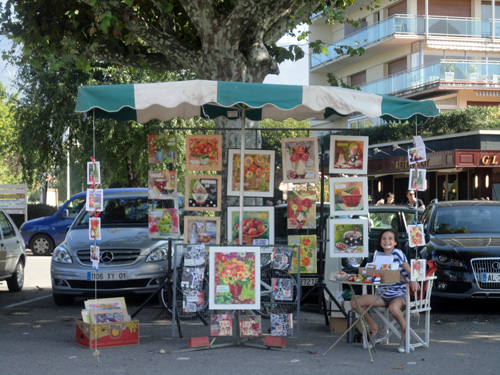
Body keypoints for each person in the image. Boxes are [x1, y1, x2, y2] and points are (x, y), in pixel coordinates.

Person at [350, 229, 419, 353]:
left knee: (393, 308)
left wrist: (413, 280)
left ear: (395, 242)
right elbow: (374, 273)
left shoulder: (397, 253)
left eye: (390, 238)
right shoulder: (377, 254)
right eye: (384, 238)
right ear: (380, 241)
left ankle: (404, 331)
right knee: (354, 302)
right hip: (382, 295)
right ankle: (374, 327)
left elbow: (409, 270)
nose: (387, 241)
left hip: (399, 295)